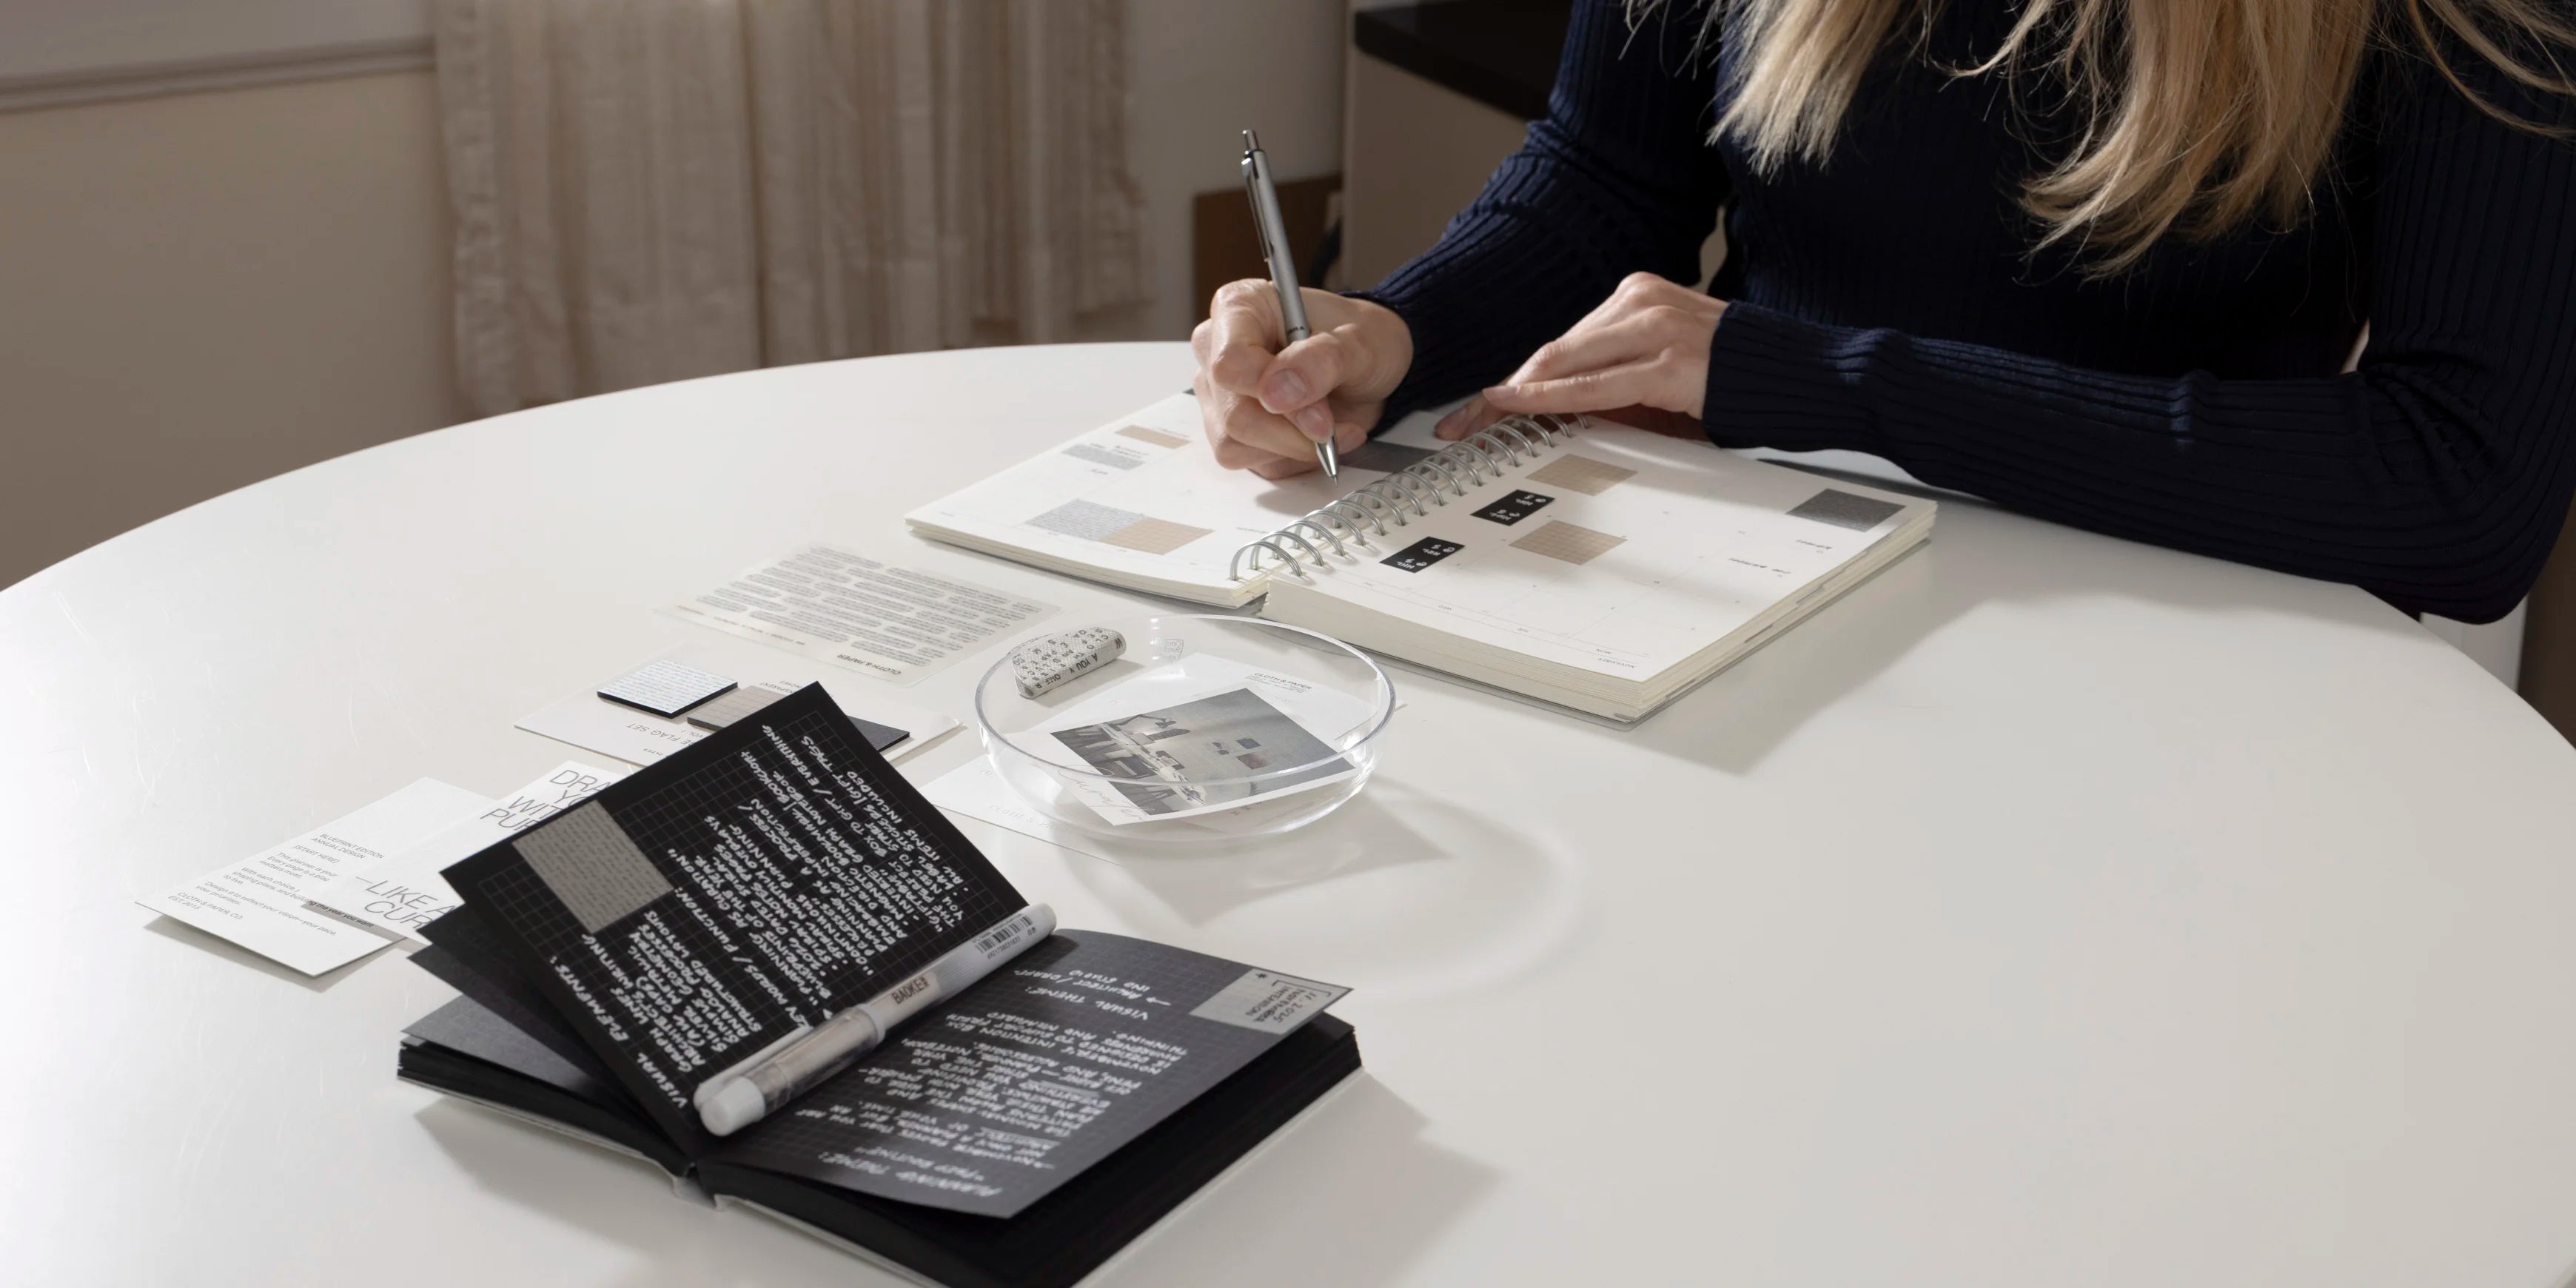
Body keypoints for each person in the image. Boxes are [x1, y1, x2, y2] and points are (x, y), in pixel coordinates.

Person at [1190, 0, 2576, 623]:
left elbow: (2463, 491)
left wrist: (1820, 380)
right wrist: (1390, 333)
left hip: (2163, 633)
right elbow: (1609, 175)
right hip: (1735, 584)